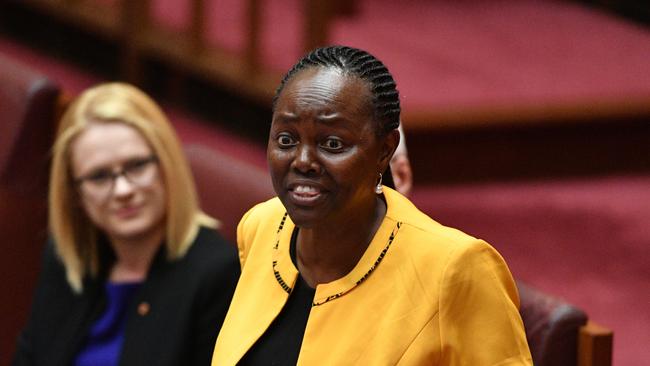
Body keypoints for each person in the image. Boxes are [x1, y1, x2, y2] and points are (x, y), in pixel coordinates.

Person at [212, 46, 532, 365]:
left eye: (332, 144)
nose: (303, 161)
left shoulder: (456, 271)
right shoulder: (261, 227)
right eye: (286, 140)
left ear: (385, 150)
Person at [13, 82, 240, 366]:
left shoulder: (216, 274)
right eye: (98, 176)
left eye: (136, 166)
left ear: (167, 164)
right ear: (75, 193)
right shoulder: (67, 256)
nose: (122, 190)